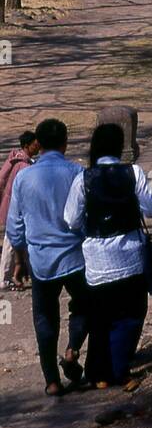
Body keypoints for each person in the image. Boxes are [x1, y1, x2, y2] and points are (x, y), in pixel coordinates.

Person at [64, 122, 152, 390]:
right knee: (130, 314)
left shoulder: (84, 179)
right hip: (130, 257)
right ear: (120, 147)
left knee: (101, 317)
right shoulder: (134, 173)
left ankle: (99, 374)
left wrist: (89, 229)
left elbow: (70, 219)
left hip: (97, 261)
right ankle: (120, 370)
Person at [5, 118, 89, 396]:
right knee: (85, 306)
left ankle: (51, 380)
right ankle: (72, 349)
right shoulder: (78, 173)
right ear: (65, 143)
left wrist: (20, 260)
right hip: (75, 257)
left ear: (37, 144)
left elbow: (15, 227)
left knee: (44, 318)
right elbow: (86, 218)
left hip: (40, 261)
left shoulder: (24, 178)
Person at [0, 130, 39, 288]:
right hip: (16, 210)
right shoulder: (24, 165)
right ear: (26, 146)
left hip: (11, 207)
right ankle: (4, 278)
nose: (37, 147)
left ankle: (23, 274)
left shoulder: (15, 159)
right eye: (35, 145)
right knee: (11, 243)